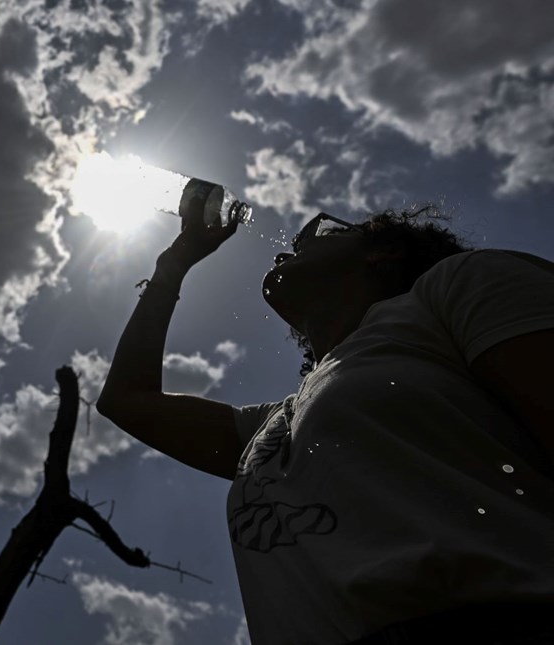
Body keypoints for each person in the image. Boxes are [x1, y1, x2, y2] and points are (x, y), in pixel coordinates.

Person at [96, 180, 554, 645]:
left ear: (383, 252)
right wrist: (174, 262)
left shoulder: (454, 287)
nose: (296, 242)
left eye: (322, 231)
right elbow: (126, 401)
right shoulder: (276, 425)